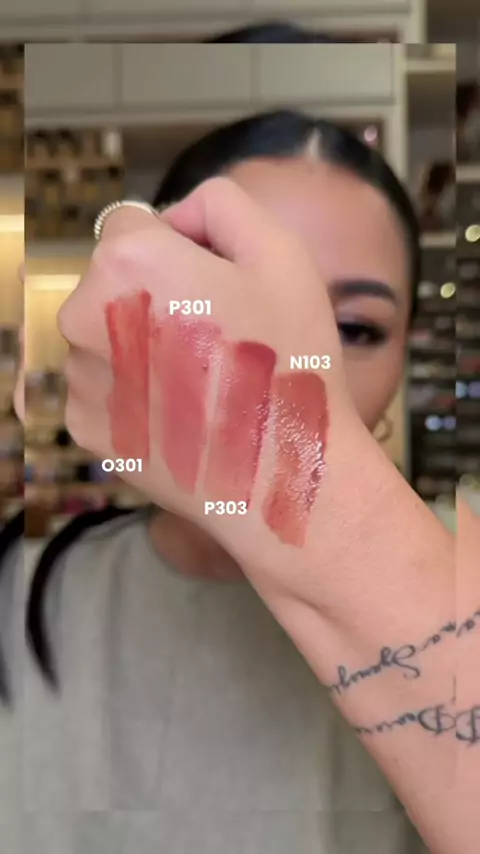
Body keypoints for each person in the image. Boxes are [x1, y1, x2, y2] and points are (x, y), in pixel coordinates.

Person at [2, 28, 477, 854]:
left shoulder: (461, 574)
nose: (300, 364)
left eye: (355, 328)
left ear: (406, 352)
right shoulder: (25, 588)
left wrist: (314, 481)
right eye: (231, 304)